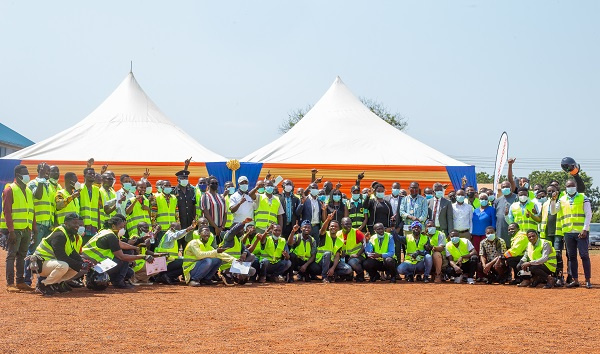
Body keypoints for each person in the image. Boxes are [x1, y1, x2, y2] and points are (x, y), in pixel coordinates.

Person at [81, 215, 154, 289]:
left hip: (90, 261)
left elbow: (121, 244)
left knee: (129, 273)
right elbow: (122, 256)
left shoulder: (106, 232)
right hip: (92, 263)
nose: (122, 230)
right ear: (113, 226)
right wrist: (143, 256)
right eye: (121, 227)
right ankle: (118, 281)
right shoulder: (110, 236)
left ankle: (101, 278)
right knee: (125, 255)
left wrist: (135, 247)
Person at [1, 165, 36, 292]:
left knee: (21, 256)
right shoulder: (9, 190)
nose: (28, 175)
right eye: (25, 173)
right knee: (11, 256)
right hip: (15, 230)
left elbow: (32, 211)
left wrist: (34, 228)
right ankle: (10, 283)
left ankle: (20, 281)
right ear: (18, 175)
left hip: (26, 229)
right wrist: (11, 231)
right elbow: (7, 212)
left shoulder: (28, 191)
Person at [33, 213, 87, 295]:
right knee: (64, 265)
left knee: (76, 267)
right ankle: (43, 284)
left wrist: (83, 262)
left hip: (50, 262)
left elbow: (72, 253)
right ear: (66, 223)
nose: (77, 226)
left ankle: (57, 283)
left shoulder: (70, 234)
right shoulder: (60, 235)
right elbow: (61, 256)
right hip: (40, 263)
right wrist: (79, 264)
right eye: (74, 223)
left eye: (78, 223)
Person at [553, 179, 593, 288]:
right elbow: (553, 211)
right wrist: (553, 200)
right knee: (571, 257)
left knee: (584, 255)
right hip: (568, 232)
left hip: (581, 232)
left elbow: (588, 214)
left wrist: (585, 229)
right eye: (568, 186)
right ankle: (575, 280)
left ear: (575, 186)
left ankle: (588, 280)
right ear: (565, 188)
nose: (570, 187)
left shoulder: (583, 198)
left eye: (572, 185)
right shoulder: (561, 199)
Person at [24, 162, 54, 286]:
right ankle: (27, 280)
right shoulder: (32, 183)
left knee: (46, 252)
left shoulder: (50, 185)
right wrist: (41, 178)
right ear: (40, 170)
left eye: (48, 171)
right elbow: (38, 195)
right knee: (32, 252)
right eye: (46, 170)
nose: (48, 173)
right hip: (38, 224)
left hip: (48, 225)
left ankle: (41, 281)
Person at [315, 214, 353, 283]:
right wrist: (328, 220)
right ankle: (324, 277)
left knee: (348, 269)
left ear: (338, 229)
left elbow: (337, 256)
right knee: (328, 253)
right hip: (321, 261)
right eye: (332, 226)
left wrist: (333, 268)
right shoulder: (324, 234)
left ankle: (333, 274)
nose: (333, 228)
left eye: (335, 227)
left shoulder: (340, 241)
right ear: (329, 227)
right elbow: (323, 229)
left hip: (332, 262)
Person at [218, 218, 257, 285]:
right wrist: (243, 222)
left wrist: (244, 253)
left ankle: (236, 277)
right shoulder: (228, 237)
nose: (243, 231)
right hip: (227, 265)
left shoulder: (238, 240)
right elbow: (232, 231)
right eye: (241, 229)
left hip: (236, 264)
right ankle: (226, 274)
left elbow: (246, 250)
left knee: (252, 258)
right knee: (250, 270)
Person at [471, 192, 496, 280]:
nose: (483, 200)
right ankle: (478, 275)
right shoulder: (475, 210)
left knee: (485, 255)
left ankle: (486, 274)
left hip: (486, 236)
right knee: (477, 255)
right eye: (482, 199)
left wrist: (492, 233)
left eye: (485, 199)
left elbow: (493, 222)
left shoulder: (491, 209)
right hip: (476, 235)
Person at [493, 159, 518, 247]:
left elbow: (510, 178)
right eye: (503, 187)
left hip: (514, 230)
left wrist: (510, 165)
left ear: (511, 187)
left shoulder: (516, 198)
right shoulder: (497, 200)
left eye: (507, 186)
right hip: (500, 230)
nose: (505, 188)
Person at [79, 167, 102, 244]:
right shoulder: (80, 188)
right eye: (90, 173)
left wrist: (99, 226)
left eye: (93, 174)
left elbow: (98, 209)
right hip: (83, 225)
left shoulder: (97, 190)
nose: (92, 175)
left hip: (94, 226)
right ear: (84, 176)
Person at [339, 217, 366, 282]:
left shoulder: (356, 232)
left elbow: (365, 244)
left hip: (358, 256)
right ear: (341, 225)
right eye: (346, 224)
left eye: (350, 224)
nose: (349, 226)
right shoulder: (338, 234)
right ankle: (348, 275)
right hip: (344, 256)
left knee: (353, 262)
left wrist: (357, 254)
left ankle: (360, 276)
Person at [200, 176, 227, 240]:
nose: (215, 185)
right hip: (210, 227)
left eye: (216, 183)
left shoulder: (221, 197)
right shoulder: (205, 196)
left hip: (221, 228)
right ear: (208, 185)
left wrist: (222, 227)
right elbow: (206, 213)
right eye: (212, 183)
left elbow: (225, 213)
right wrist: (216, 227)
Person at [154, 180, 177, 245]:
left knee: (171, 246)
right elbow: (153, 214)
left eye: (169, 186)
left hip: (172, 228)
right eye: (166, 185)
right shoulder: (156, 197)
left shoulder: (174, 198)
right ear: (162, 187)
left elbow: (176, 213)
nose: (168, 187)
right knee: (161, 246)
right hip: (161, 228)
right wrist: (155, 226)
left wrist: (177, 224)